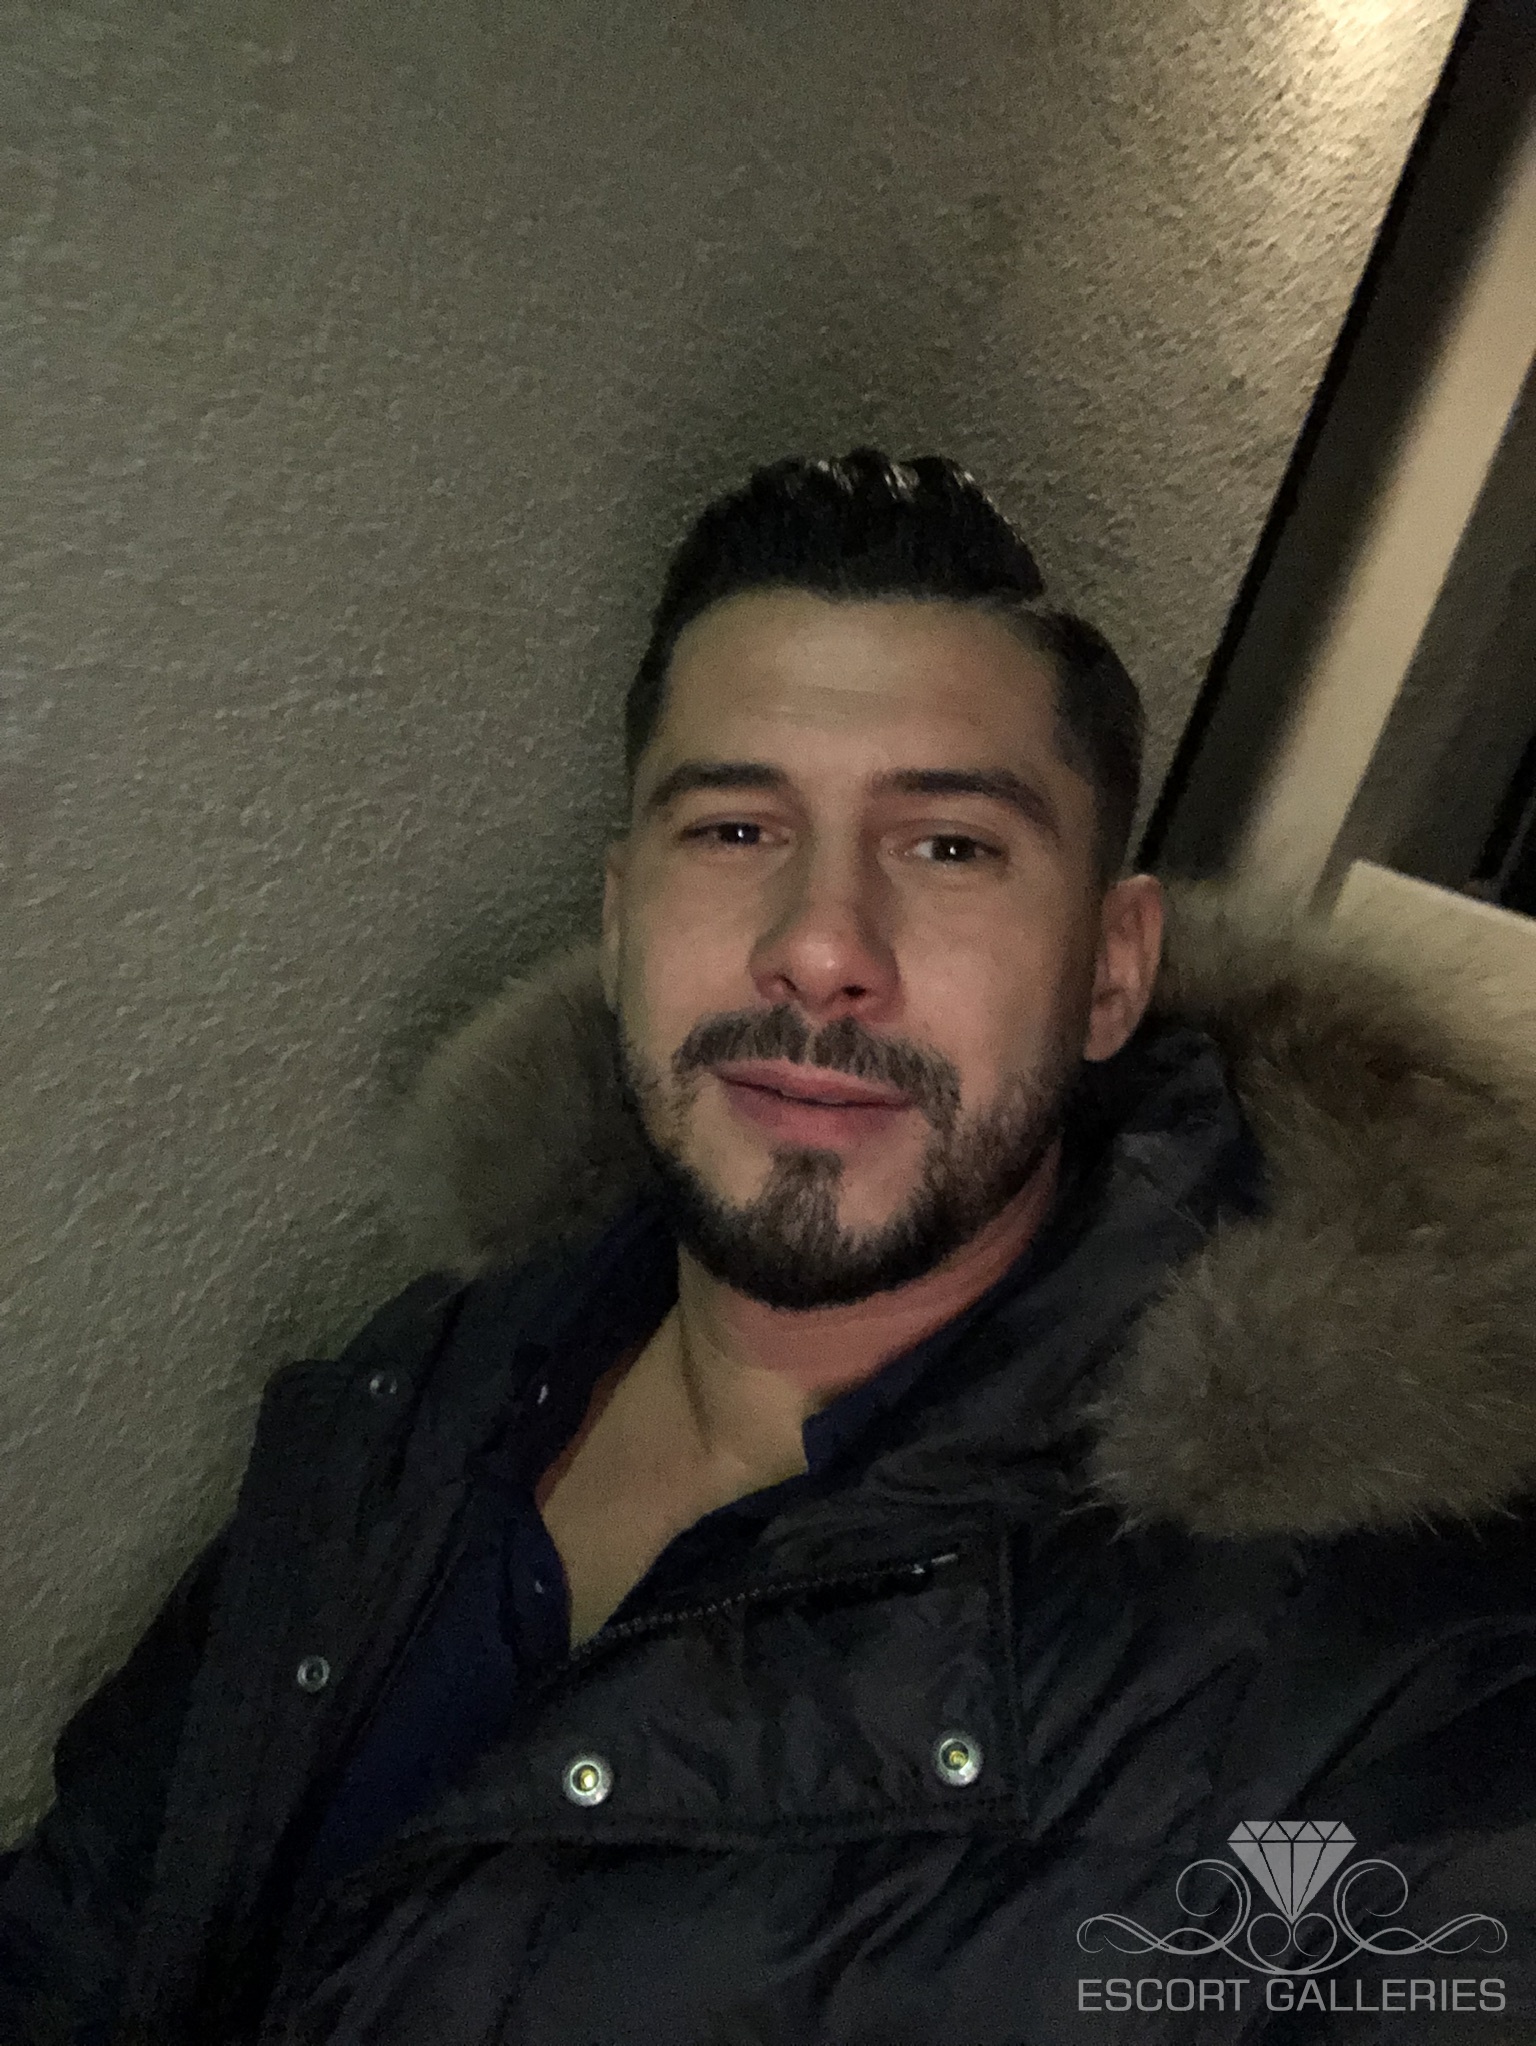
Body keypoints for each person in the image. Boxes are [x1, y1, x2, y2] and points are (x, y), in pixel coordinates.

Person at [3, 450, 1535, 2046]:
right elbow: (87, 1914)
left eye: (950, 845)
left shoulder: (1377, 1689)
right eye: (736, 827)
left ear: (1111, 970)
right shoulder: (431, 1371)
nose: (819, 948)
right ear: (618, 922)